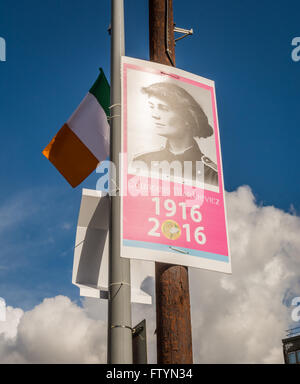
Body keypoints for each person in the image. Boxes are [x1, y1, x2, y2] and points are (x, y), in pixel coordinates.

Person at [133, 82, 218, 187]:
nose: (154, 115)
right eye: (152, 107)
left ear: (188, 118)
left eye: (163, 108)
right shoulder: (142, 162)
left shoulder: (212, 174)